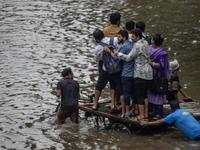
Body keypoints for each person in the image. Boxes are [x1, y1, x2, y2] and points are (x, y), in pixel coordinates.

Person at [106, 28, 153, 120]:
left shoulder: (137, 45)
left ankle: (139, 115)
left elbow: (128, 58)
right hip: (148, 71)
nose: (131, 38)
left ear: (138, 37)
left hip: (139, 72)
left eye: (133, 36)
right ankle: (144, 114)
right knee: (144, 95)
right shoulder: (145, 42)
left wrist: (117, 54)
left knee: (137, 95)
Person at [92, 29, 125, 116]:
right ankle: (117, 106)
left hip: (106, 70)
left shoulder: (98, 47)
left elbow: (97, 59)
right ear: (103, 35)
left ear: (96, 39)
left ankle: (95, 104)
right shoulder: (114, 39)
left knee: (99, 86)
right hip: (117, 69)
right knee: (119, 88)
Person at [104, 29, 134, 118]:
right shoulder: (132, 44)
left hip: (126, 72)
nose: (117, 39)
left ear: (124, 38)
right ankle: (133, 110)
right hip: (133, 71)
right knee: (133, 93)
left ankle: (124, 112)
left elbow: (117, 59)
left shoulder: (123, 47)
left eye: (119, 37)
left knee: (124, 93)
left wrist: (109, 52)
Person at [147, 34, 169, 120]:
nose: (151, 40)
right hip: (149, 74)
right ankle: (150, 111)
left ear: (153, 41)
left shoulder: (162, 53)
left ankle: (158, 113)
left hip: (157, 75)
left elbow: (162, 65)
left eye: (152, 39)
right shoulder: (149, 48)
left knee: (157, 92)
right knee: (149, 91)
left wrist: (151, 63)